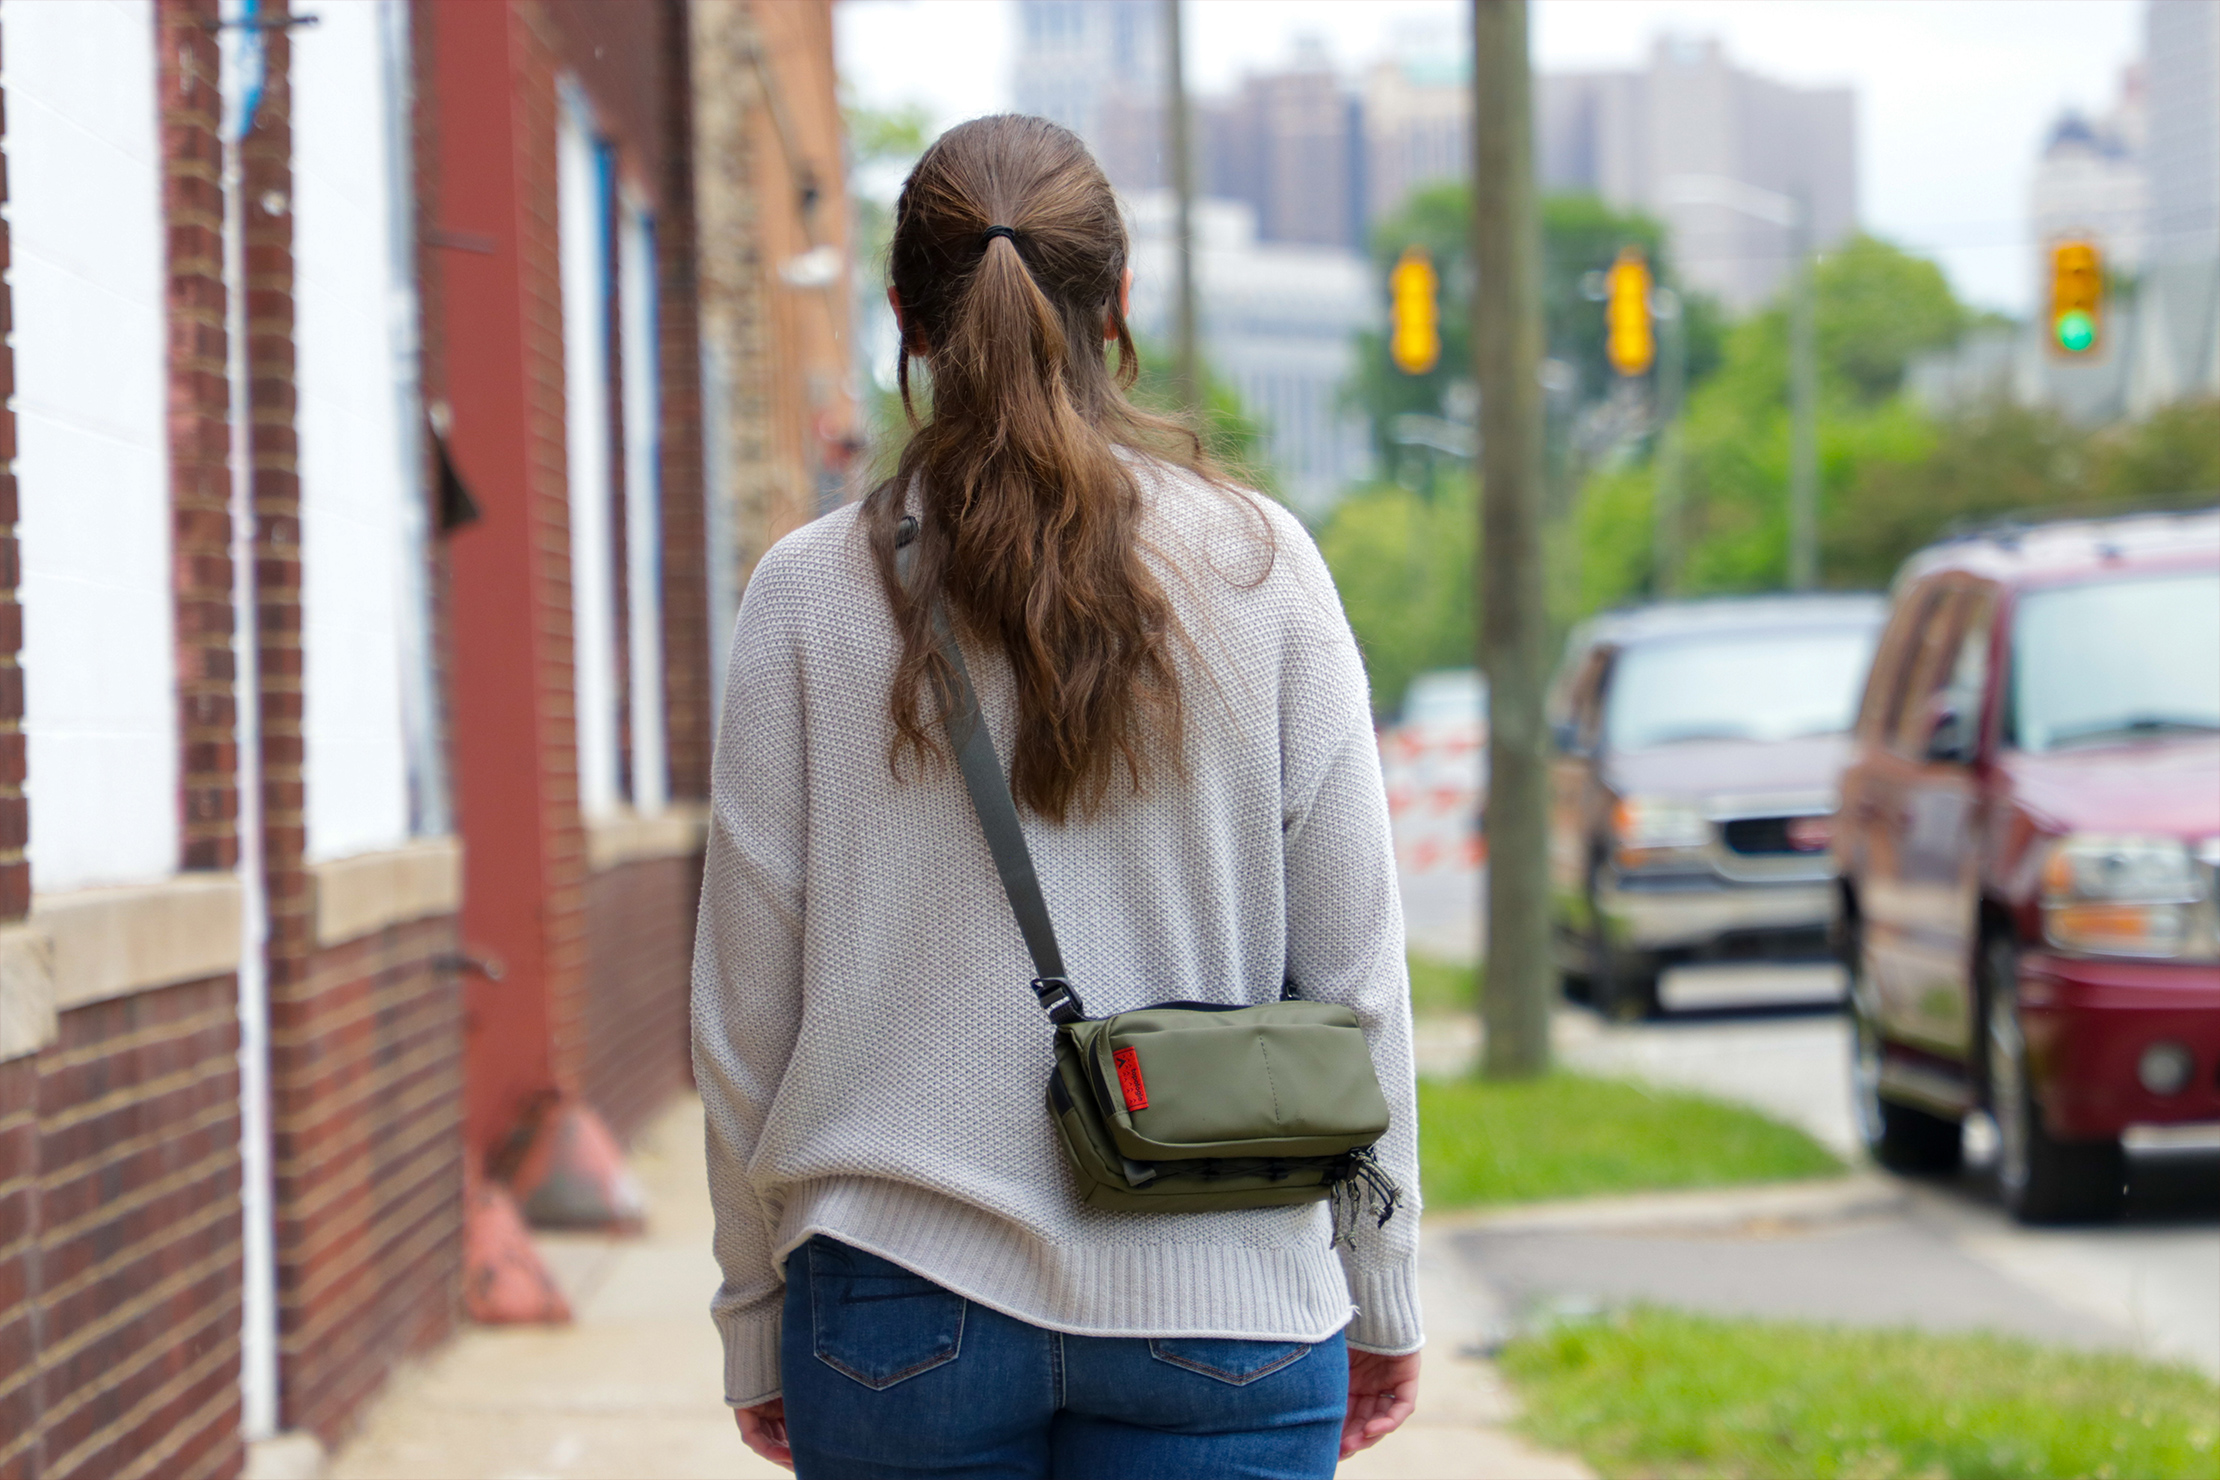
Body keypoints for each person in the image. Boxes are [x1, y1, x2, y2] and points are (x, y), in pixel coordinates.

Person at [691, 113, 1421, 1480]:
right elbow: (1357, 974)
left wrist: (753, 1317)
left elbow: (743, 1013)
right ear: (1119, 307)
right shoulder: (1265, 571)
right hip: (1227, 1302)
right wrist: (1382, 1285)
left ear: (906, 316)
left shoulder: (803, 598)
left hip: (896, 1300)